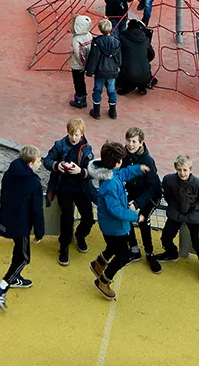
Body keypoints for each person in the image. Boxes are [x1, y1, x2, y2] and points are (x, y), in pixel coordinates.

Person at [0, 146, 46, 310]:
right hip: (21, 225)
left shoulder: (10, 173)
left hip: (7, 219)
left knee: (18, 249)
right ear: (30, 163)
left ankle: (15, 278)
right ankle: (3, 286)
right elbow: (37, 211)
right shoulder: (34, 183)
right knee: (24, 258)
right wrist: (40, 231)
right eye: (39, 161)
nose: (40, 164)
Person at [87, 142, 142, 300]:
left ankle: (98, 264)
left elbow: (123, 174)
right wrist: (135, 217)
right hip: (115, 227)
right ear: (117, 163)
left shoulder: (110, 173)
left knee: (112, 247)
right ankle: (104, 281)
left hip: (109, 226)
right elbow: (115, 210)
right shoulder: (110, 184)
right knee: (124, 256)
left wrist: (138, 169)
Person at [41, 117, 95, 266]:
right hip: (64, 187)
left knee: (89, 217)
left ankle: (80, 235)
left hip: (81, 188)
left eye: (77, 135)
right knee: (66, 218)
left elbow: (92, 171)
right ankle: (64, 246)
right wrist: (57, 165)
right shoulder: (60, 145)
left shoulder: (87, 149)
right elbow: (47, 160)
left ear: (82, 134)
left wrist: (80, 171)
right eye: (71, 134)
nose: (73, 137)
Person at [159, 155, 199, 284]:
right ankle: (171, 253)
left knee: (197, 244)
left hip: (193, 214)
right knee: (166, 236)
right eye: (179, 170)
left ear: (191, 170)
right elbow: (167, 194)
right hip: (176, 212)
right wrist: (173, 206)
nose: (182, 173)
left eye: (185, 170)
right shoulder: (169, 180)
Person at [121, 128, 162, 270]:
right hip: (133, 193)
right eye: (128, 141)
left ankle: (149, 253)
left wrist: (137, 204)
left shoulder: (148, 161)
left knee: (143, 220)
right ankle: (134, 249)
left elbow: (153, 188)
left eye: (134, 141)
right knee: (125, 216)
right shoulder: (125, 156)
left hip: (150, 195)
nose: (130, 144)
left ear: (141, 143)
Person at [85, 17, 122, 118]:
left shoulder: (97, 42)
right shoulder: (117, 42)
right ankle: (113, 112)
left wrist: (89, 71)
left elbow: (94, 58)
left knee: (97, 90)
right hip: (112, 71)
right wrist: (118, 67)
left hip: (100, 71)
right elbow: (119, 59)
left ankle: (96, 112)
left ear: (101, 29)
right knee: (111, 90)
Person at [118, 16, 156, 96]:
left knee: (124, 69)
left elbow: (118, 55)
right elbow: (152, 55)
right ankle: (141, 88)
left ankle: (125, 88)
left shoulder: (122, 37)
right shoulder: (145, 39)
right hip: (145, 74)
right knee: (142, 70)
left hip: (128, 73)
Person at [65, 14, 93, 109]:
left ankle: (79, 100)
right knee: (82, 81)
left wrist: (82, 64)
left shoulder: (76, 39)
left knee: (77, 81)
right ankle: (83, 98)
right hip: (87, 61)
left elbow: (78, 53)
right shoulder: (89, 35)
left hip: (78, 65)